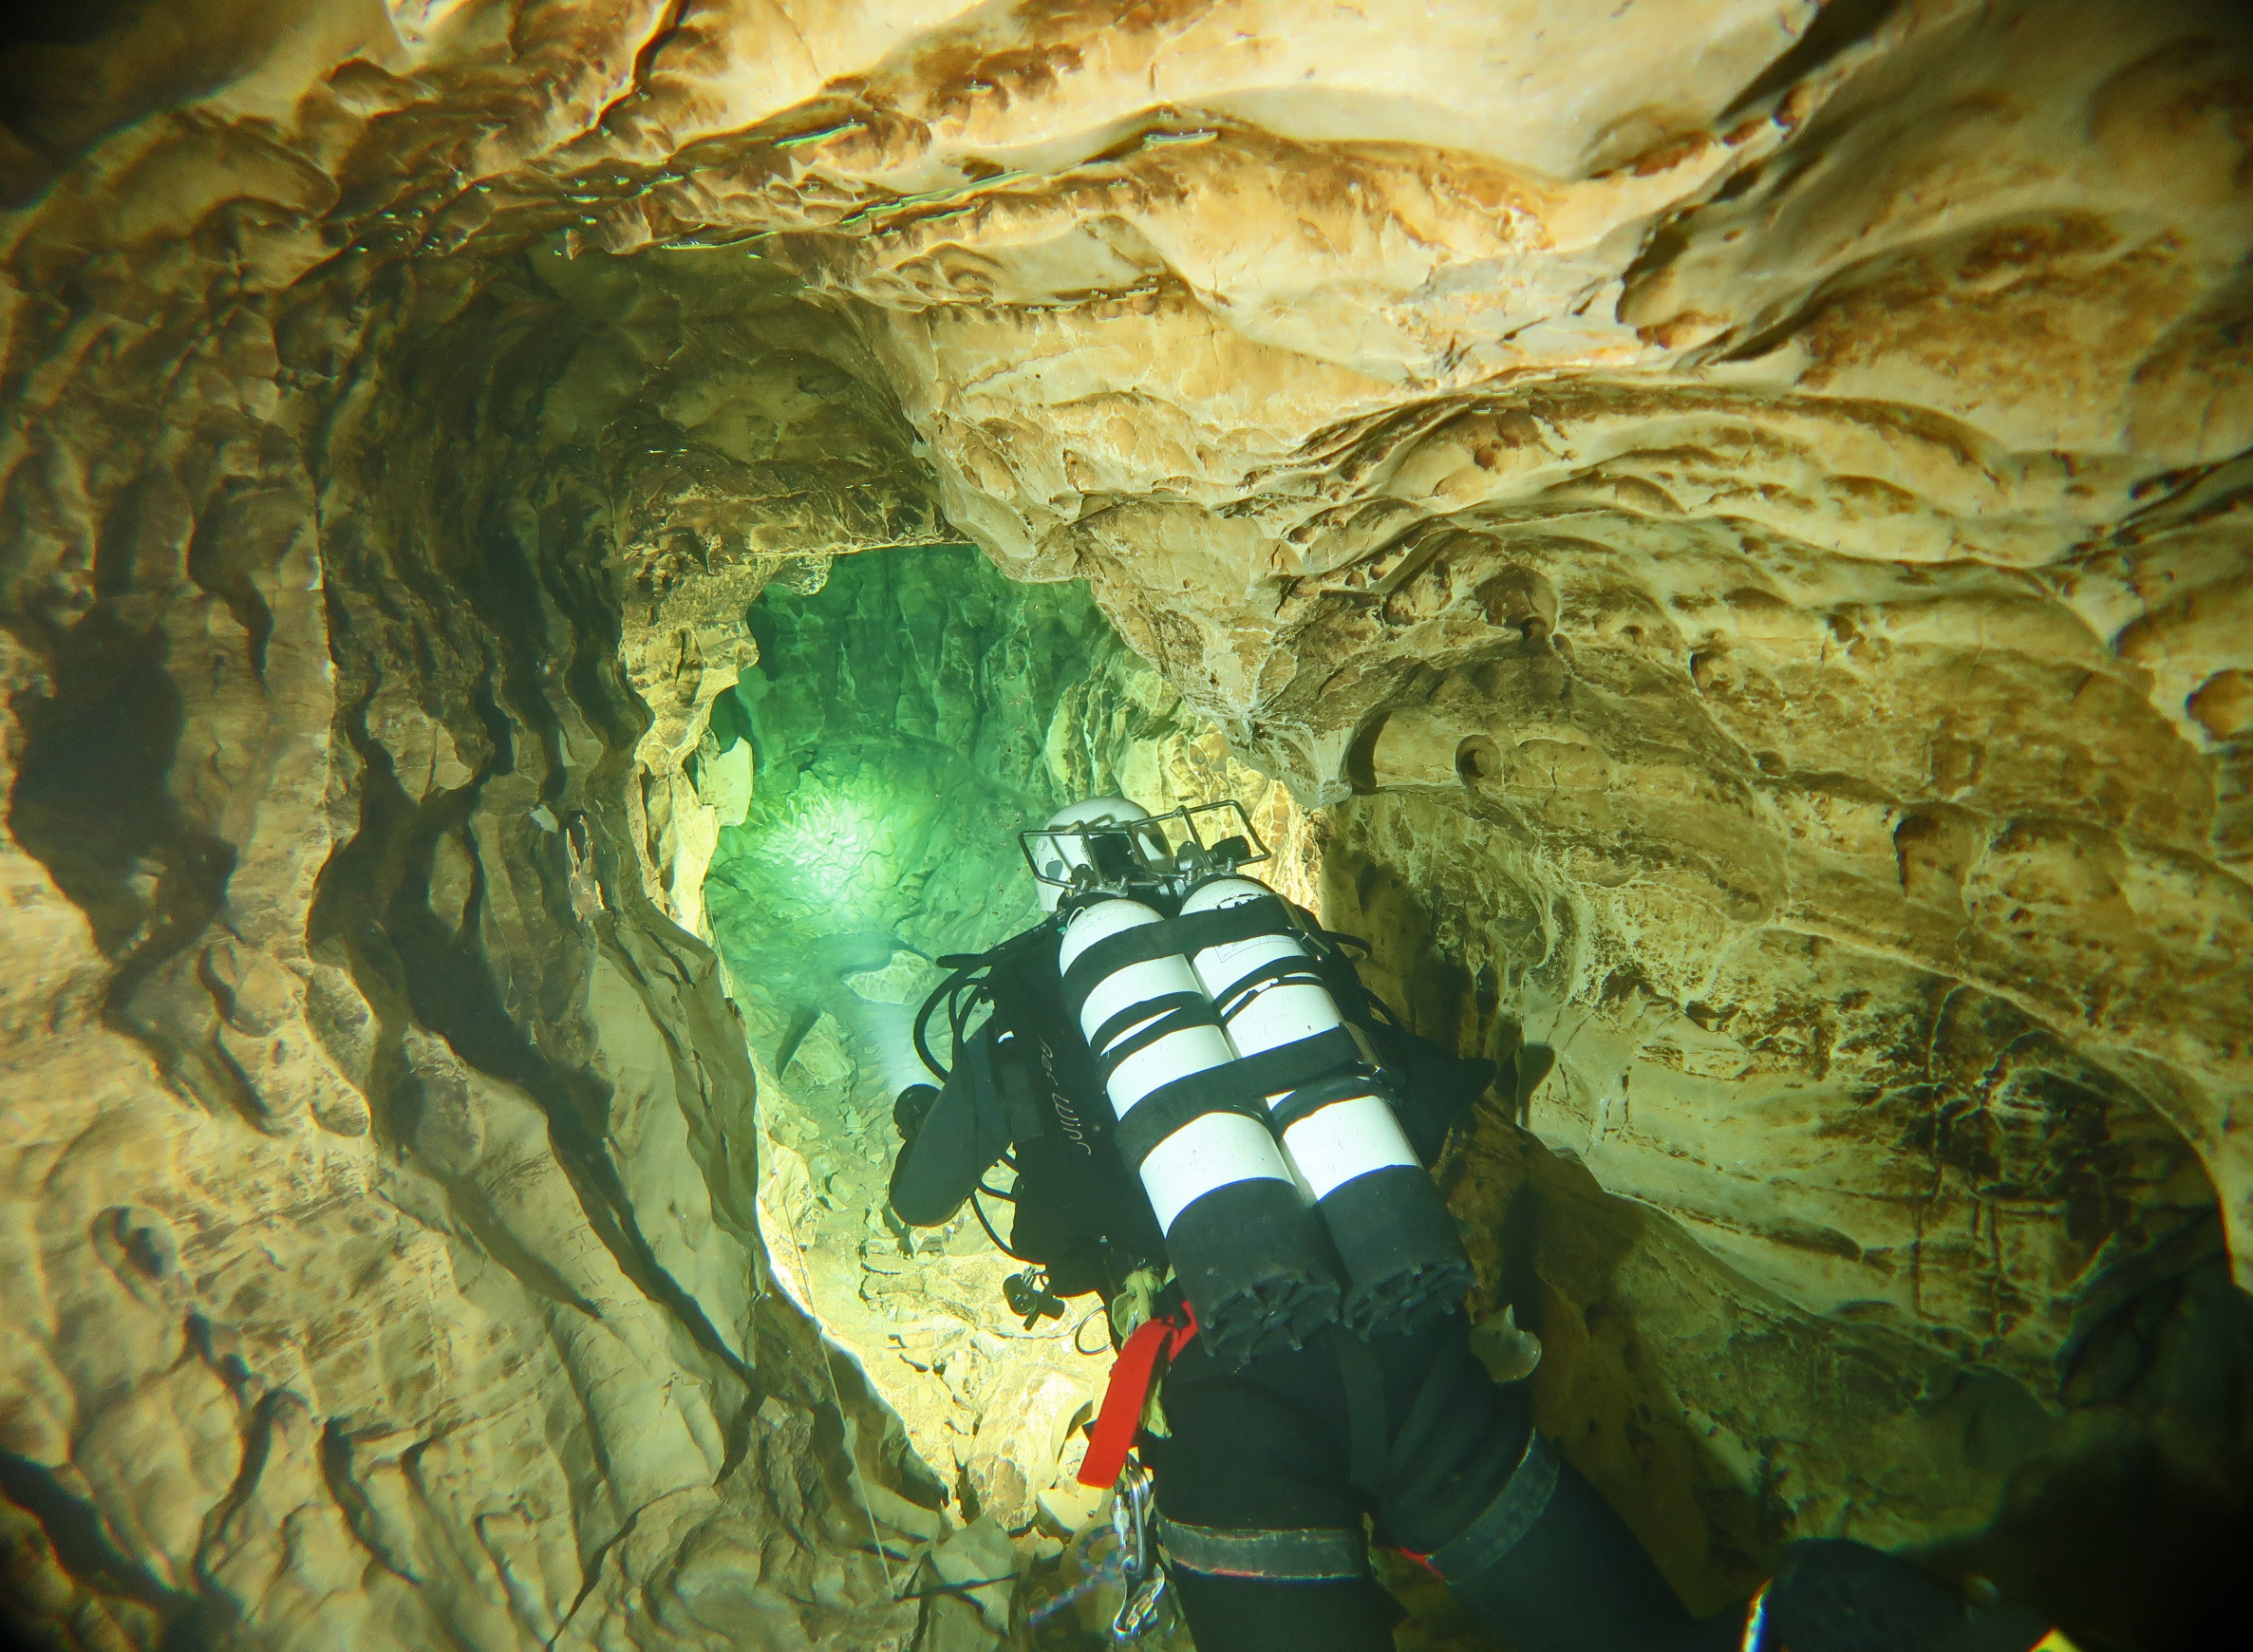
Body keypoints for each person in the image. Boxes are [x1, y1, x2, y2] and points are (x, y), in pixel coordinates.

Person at [888, 797, 2059, 1652]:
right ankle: (1797, 1625)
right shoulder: (1268, 959)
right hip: (1417, 1356)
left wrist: (946, 1117)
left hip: (1236, 1402)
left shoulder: (1025, 1023)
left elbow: (922, 1199)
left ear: (1054, 892)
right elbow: (1415, 1094)